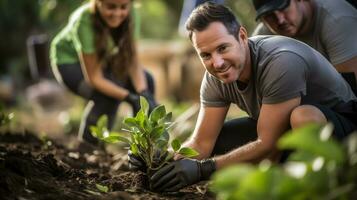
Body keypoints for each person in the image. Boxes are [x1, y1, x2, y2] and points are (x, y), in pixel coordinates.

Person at [128, 2, 357, 192]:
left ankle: (324, 184)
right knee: (221, 139)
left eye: (223, 48)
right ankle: (283, 174)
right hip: (285, 135)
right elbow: (201, 143)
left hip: (343, 130)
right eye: (205, 55)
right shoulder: (214, 78)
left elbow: (267, 144)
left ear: (242, 36)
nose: (217, 62)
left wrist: (203, 170)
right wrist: (160, 160)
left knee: (302, 116)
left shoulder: (281, 62)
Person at [50, 0, 157, 146]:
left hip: (101, 61)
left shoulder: (132, 14)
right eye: (111, 7)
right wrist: (129, 97)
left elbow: (132, 61)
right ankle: (88, 148)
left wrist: (144, 93)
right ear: (98, 3)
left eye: (123, 7)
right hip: (68, 63)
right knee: (107, 94)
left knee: (148, 82)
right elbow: (95, 78)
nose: (117, 13)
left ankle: (143, 149)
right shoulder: (84, 20)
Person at [251, 0, 357, 94]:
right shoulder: (265, 35)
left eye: (283, 7)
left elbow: (351, 91)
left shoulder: (336, 19)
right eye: (269, 15)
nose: (280, 20)